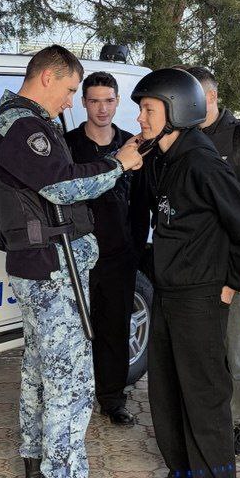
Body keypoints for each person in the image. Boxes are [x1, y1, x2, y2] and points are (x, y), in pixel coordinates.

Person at [0, 46, 143, 478]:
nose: (73, 101)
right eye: (71, 89)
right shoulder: (22, 125)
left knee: (38, 375)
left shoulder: (14, 123)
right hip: (53, 269)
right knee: (72, 385)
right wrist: (119, 164)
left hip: (43, 267)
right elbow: (60, 188)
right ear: (48, 77)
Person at [133, 68, 240, 478]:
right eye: (141, 108)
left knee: (206, 397)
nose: (140, 117)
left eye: (149, 109)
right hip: (169, 290)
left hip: (202, 295)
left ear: (177, 112)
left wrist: (231, 284)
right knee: (165, 386)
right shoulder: (163, 158)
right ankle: (183, 473)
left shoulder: (202, 162)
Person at [182, 65, 240, 459]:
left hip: (232, 264)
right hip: (190, 267)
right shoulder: (179, 138)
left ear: (213, 97)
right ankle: (203, 420)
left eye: (195, 100)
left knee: (236, 347)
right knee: (198, 351)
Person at [66, 72, 138, 427]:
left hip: (118, 257)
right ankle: (77, 395)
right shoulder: (66, 145)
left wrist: (134, 247)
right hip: (75, 256)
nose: (102, 108)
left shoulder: (131, 146)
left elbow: (143, 204)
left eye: (108, 100)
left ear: (117, 101)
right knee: (76, 330)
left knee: (114, 330)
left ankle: (112, 399)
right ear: (83, 103)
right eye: (94, 101)